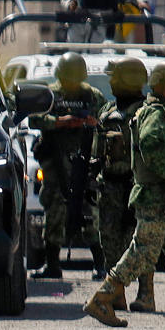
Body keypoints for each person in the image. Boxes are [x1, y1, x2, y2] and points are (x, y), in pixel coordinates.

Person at [85, 60, 165, 328]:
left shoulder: (161, 110)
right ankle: (103, 297)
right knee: (142, 252)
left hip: (162, 199)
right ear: (160, 86)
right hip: (155, 197)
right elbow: (149, 144)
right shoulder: (157, 112)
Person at [31, 52, 107, 279]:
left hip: (84, 162)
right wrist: (59, 122)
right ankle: (52, 264)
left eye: (74, 80)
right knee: (54, 211)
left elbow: (109, 117)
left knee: (90, 211)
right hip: (55, 161)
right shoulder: (50, 95)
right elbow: (34, 118)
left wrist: (94, 122)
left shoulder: (92, 96)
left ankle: (100, 264)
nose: (71, 84)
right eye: (67, 79)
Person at [90, 57, 150, 303]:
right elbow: (97, 148)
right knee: (110, 238)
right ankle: (117, 294)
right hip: (110, 187)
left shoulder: (147, 112)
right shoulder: (107, 111)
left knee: (140, 241)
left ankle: (146, 293)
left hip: (136, 187)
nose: (111, 82)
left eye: (115, 77)